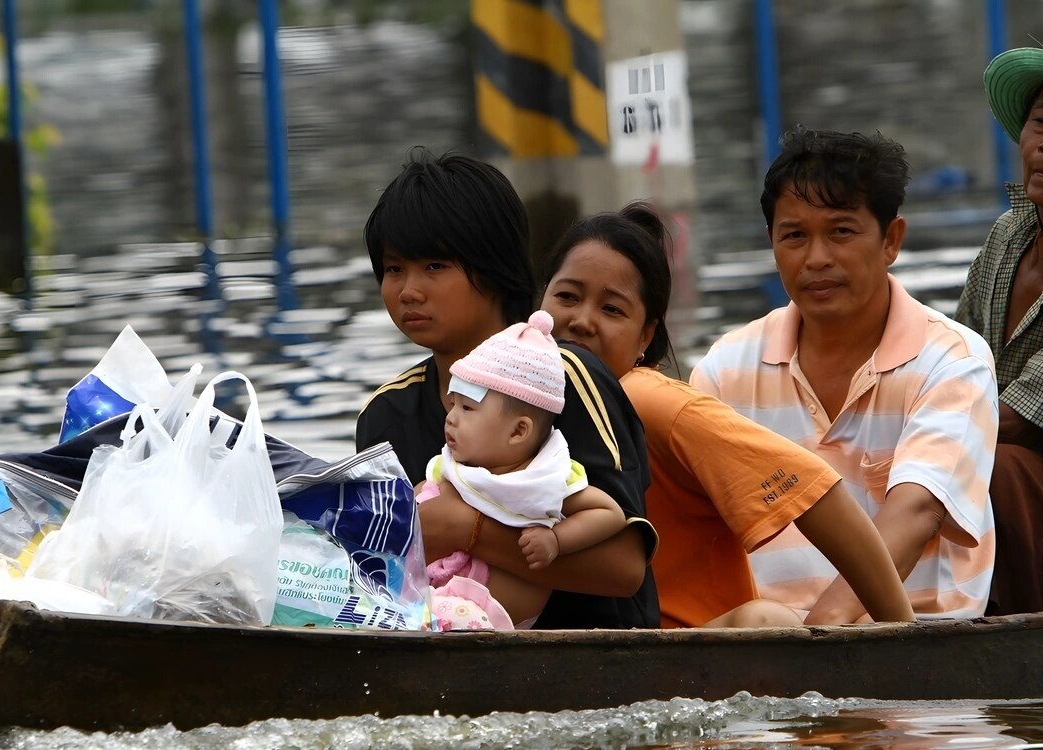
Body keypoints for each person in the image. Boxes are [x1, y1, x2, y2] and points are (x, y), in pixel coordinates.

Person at [539, 202, 914, 627]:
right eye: (567, 297)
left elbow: (819, 494)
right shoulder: (506, 404)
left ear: (646, 335)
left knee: (766, 621)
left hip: (691, 656)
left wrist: (901, 638)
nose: (582, 321)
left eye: (612, 310)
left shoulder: (648, 400)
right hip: (576, 652)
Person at [690, 127, 999, 621]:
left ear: (890, 240)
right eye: (794, 235)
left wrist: (821, 639)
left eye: (841, 231)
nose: (817, 259)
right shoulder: (725, 370)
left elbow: (916, 511)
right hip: (763, 641)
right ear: (772, 242)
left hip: (915, 644)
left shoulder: (952, 361)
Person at [355, 149, 660, 629]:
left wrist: (466, 528)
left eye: (435, 266)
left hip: (595, 661)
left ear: (494, 268)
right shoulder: (385, 414)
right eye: (394, 269)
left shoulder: (563, 378)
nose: (408, 290)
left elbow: (624, 569)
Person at [955, 41, 1043, 615]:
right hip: (997, 474)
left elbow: (1008, 427)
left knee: (992, 467)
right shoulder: (1009, 235)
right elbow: (949, 362)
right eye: (1042, 122)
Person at [417, 310, 627, 627]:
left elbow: (610, 513)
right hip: (437, 598)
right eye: (454, 404)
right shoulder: (453, 467)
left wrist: (557, 540)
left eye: (468, 408)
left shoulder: (545, 478)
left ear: (518, 431)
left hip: (487, 618)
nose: (451, 418)